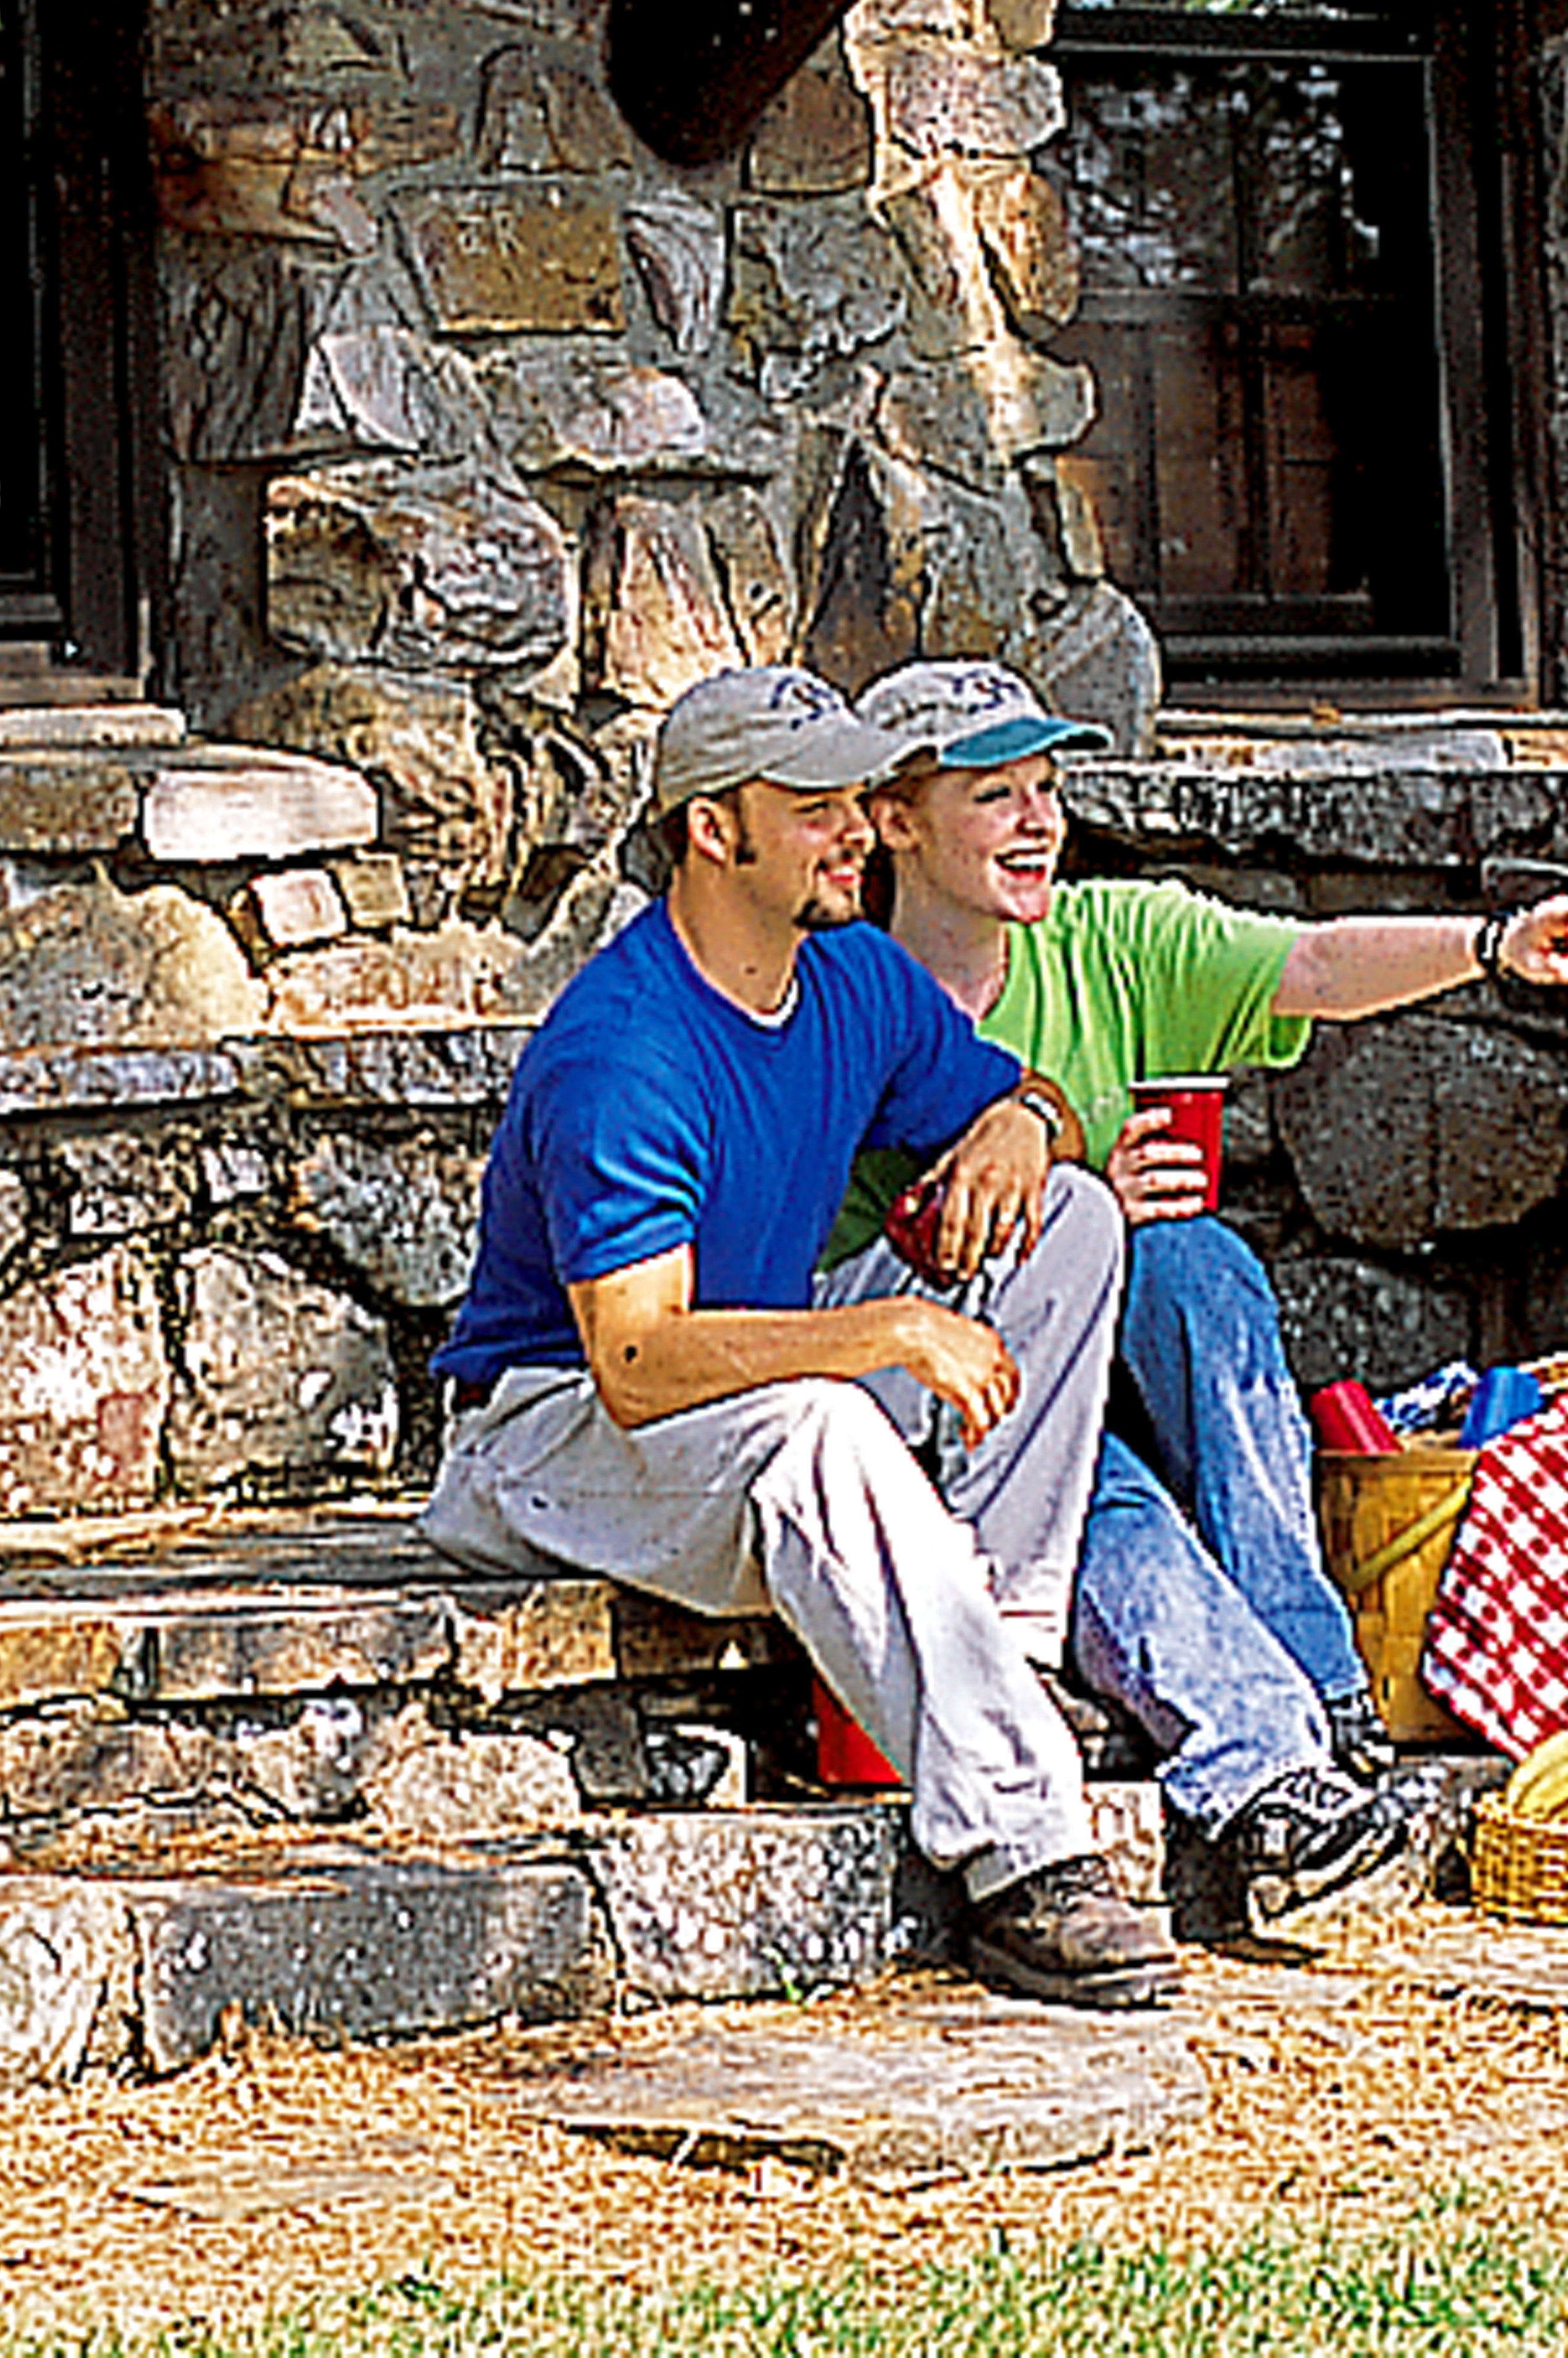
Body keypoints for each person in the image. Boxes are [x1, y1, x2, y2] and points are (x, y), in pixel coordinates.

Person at [422, 663, 1187, 2012]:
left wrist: (1023, 1120)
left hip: (729, 1398)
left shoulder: (849, 975)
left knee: (1067, 1219)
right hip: (551, 1436)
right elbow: (640, 1359)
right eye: (819, 805)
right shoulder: (625, 1047)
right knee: (821, 1416)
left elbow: (1028, 1098)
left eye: (859, 797)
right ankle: (1027, 1858)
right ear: (715, 830)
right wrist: (884, 1326)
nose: (856, 828)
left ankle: (1006, 1654)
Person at [848, 655, 1568, 1938]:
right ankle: (1270, 1775)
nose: (1041, 819)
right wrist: (1079, 1194)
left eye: (1048, 787)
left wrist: (1492, 946)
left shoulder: (1106, 940)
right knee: (1095, 1464)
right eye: (996, 794)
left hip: (1113, 1375)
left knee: (1197, 1262)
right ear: (895, 819)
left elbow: (1314, 965)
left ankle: (1325, 1688)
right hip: (958, 1404)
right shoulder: (847, 1004)